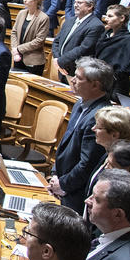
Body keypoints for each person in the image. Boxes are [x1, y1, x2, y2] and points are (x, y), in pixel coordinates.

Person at [48, 57, 115, 208]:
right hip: (64, 182)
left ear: (95, 85)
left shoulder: (99, 117)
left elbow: (87, 164)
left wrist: (63, 184)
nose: (72, 80)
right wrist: (55, 175)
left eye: (78, 78)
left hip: (76, 194)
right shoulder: (80, 103)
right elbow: (65, 144)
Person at [11, 0, 51, 73]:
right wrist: (15, 48)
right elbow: (14, 32)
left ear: (36, 0)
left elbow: (39, 41)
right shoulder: (21, 13)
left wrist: (19, 48)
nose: (25, 0)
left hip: (33, 61)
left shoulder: (43, 18)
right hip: (18, 57)